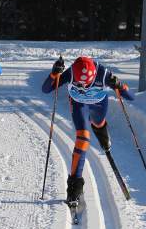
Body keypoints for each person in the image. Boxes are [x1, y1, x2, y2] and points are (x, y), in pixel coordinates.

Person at [42, 56, 134, 203]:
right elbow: (46, 89)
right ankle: (74, 188)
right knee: (83, 139)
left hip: (98, 105)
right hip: (80, 106)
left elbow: (131, 97)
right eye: (80, 84)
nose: (84, 87)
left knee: (98, 124)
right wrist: (54, 73)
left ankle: (104, 136)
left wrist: (119, 85)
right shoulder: (72, 72)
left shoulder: (103, 74)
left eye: (87, 84)